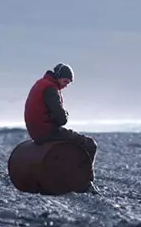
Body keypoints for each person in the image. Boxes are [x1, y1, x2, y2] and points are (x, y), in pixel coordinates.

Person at [24, 63, 99, 194]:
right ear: (58, 77)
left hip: (36, 131)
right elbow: (62, 119)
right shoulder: (51, 89)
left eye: (68, 83)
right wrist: (65, 114)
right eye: (65, 81)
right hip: (47, 131)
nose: (65, 85)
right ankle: (85, 182)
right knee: (90, 144)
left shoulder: (41, 84)